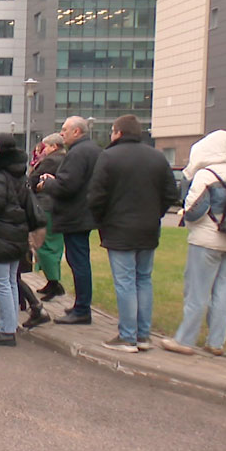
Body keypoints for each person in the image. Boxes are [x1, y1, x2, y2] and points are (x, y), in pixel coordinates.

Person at [87, 115, 179, 353]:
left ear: (117, 132)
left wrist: (101, 220)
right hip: (148, 227)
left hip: (118, 227)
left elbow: (96, 195)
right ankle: (143, 335)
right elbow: (171, 194)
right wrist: (155, 214)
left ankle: (127, 336)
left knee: (125, 281)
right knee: (143, 279)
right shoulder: (157, 157)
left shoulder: (108, 157)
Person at [160, 130, 226, 356]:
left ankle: (185, 339)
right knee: (223, 292)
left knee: (197, 291)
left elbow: (195, 211)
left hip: (206, 239)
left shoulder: (206, 175)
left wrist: (184, 214)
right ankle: (216, 342)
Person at [38, 116, 102, 325]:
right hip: (85, 212)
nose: (62, 133)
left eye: (65, 129)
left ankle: (82, 309)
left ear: (77, 132)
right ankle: (80, 305)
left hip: (75, 215)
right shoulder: (94, 150)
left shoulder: (78, 154)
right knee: (80, 260)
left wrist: (48, 183)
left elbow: (67, 186)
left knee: (78, 261)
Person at [0, 134, 33, 346]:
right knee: (10, 281)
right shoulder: (19, 173)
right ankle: (8, 325)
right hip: (17, 231)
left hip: (0, 233)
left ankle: (7, 329)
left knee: (1, 282)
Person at [28, 133, 66, 300]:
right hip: (58, 207)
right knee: (54, 245)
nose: (44, 151)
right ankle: (52, 281)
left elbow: (32, 179)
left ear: (54, 147)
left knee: (44, 243)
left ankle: (54, 282)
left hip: (47, 206)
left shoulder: (52, 160)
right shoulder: (66, 159)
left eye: (46, 147)